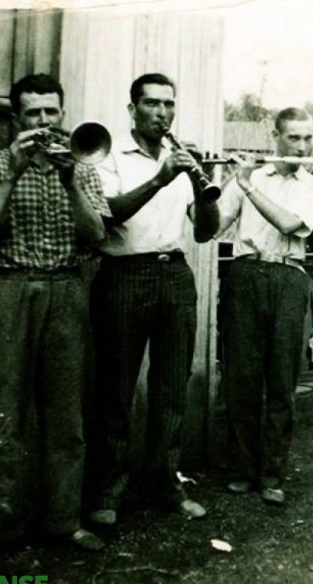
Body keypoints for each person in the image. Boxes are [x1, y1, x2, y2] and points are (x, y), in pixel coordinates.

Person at [0, 73, 110, 551]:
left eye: (52, 112)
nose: (45, 122)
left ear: (63, 114)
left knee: (66, 416)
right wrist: (13, 171)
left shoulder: (83, 168)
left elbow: (96, 237)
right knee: (4, 411)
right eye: (34, 113)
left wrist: (69, 179)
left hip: (66, 290)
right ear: (16, 119)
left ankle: (63, 521)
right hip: (8, 290)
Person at [88, 73, 220, 524]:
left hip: (175, 275)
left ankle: (165, 482)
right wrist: (162, 178)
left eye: (169, 105)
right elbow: (108, 216)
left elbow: (206, 232)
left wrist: (204, 187)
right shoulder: (109, 157)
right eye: (152, 104)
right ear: (132, 110)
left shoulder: (181, 159)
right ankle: (107, 492)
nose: (162, 113)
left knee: (171, 388)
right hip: (125, 274)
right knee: (116, 388)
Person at [214, 108, 313, 506]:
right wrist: (201, 183)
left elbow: (288, 224)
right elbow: (214, 223)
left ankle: (273, 474)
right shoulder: (251, 175)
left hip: (289, 276)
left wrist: (246, 187)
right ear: (275, 138)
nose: (301, 146)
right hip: (245, 273)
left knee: (281, 380)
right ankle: (242, 469)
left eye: (306, 139)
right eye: (293, 138)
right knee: (242, 377)